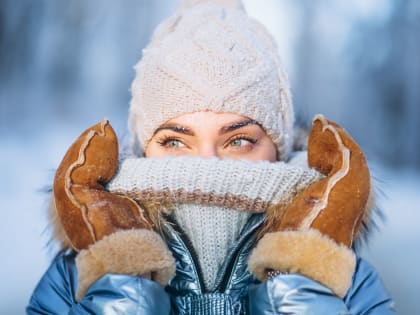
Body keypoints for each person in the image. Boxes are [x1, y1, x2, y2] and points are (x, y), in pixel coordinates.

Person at [27, 0, 395, 314]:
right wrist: (120, 286)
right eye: (174, 141)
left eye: (238, 141)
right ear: (143, 149)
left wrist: (303, 283)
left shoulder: (344, 280)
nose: (206, 165)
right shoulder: (76, 277)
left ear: (279, 149)